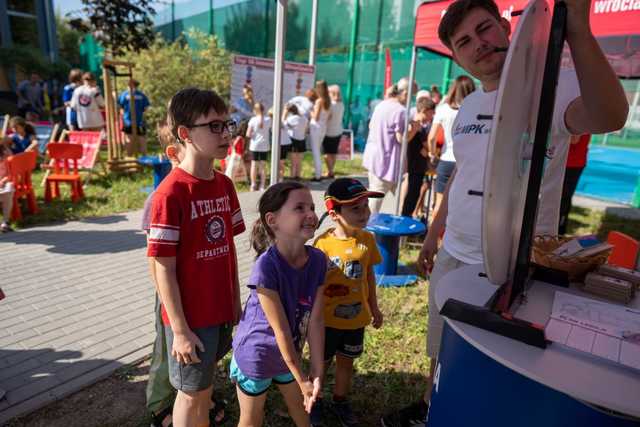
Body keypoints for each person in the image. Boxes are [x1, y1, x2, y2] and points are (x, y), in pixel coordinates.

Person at [382, 0, 628, 424]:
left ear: (504, 27)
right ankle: (430, 406)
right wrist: (432, 236)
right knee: (440, 343)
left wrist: (579, 34)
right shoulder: (467, 110)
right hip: (454, 252)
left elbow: (610, 115)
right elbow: (462, 177)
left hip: (513, 262)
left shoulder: (553, 85)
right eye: (464, 42)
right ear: (457, 57)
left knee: (492, 360)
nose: (478, 44)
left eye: (483, 30)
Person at [147, 87, 245, 427]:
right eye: (214, 126)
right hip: (190, 320)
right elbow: (163, 270)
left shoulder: (224, 184)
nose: (225, 134)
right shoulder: (170, 193)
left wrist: (234, 299)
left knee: (203, 388)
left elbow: (228, 250)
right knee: (190, 394)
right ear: (185, 134)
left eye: (226, 124)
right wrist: (181, 330)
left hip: (219, 311)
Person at [231, 182, 326, 427]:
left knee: (301, 410)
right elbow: (280, 329)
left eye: (312, 207)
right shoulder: (266, 266)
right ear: (273, 220)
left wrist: (316, 372)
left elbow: (316, 320)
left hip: (289, 354)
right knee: (252, 419)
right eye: (299, 208)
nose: (311, 214)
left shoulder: (318, 260)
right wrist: (301, 377)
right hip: (257, 355)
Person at [311, 178, 385, 427]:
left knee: (346, 363)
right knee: (320, 364)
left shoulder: (368, 240)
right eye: (356, 208)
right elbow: (314, 286)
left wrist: (374, 308)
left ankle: (340, 401)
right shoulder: (322, 244)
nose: (364, 213)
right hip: (326, 323)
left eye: (365, 206)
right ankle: (315, 400)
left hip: (356, 321)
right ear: (334, 213)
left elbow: (369, 276)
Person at [362, 77, 417, 214]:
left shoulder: (382, 105)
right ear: (405, 93)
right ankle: (367, 229)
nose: (412, 99)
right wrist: (414, 129)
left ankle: (367, 228)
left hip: (374, 157)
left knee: (375, 195)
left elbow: (370, 125)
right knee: (377, 198)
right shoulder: (400, 110)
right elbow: (401, 139)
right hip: (387, 160)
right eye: (413, 95)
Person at [427, 75, 475, 219]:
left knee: (439, 204)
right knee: (459, 205)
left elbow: (431, 137)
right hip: (465, 163)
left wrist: (433, 154)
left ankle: (433, 238)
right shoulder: (473, 110)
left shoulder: (442, 109)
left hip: (446, 160)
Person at [401, 98, 436, 218]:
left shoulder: (420, 126)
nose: (433, 115)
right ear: (425, 110)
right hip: (415, 166)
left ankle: (407, 216)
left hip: (418, 166)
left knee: (414, 195)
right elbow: (424, 145)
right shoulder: (416, 125)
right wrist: (428, 149)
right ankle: (405, 219)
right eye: (431, 112)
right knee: (411, 196)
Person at [559, 134, 590, 235]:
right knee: (563, 199)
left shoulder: (582, 118)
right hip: (572, 162)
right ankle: (559, 232)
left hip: (571, 163)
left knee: (562, 199)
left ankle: (558, 232)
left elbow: (574, 139)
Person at [118, 79, 151, 156]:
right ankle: (144, 157)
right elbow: (146, 108)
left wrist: (123, 115)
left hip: (129, 122)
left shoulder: (124, 95)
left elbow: (120, 107)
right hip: (138, 122)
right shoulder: (142, 95)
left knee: (129, 140)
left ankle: (129, 156)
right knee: (141, 140)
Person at [309, 81, 331, 181]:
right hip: (323, 127)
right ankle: (318, 173)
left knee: (316, 151)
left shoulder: (319, 101)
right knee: (318, 150)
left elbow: (316, 117)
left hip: (316, 127)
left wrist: (310, 112)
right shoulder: (328, 100)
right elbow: (330, 116)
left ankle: (318, 175)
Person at [247, 102, 271, 191]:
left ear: (255, 110)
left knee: (254, 165)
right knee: (263, 166)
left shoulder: (253, 120)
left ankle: (253, 185)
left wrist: (254, 134)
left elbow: (248, 134)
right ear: (263, 109)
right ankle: (262, 185)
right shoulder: (268, 119)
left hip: (254, 146)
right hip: (265, 145)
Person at [323, 85, 345, 179]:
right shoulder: (341, 104)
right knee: (333, 152)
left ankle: (330, 171)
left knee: (327, 153)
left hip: (329, 131)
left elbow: (327, 118)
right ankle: (331, 170)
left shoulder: (331, 105)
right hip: (338, 130)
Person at [283, 103, 308, 181]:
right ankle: (298, 176)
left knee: (293, 162)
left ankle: (292, 177)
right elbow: (306, 129)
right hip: (302, 140)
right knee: (299, 161)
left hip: (293, 140)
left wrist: (284, 114)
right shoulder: (304, 118)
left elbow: (283, 124)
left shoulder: (291, 119)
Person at [0, 144, 14, 233]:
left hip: (3, 183)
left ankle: (5, 222)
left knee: (8, 191)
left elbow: (9, 173)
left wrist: (3, 181)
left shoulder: (4, 153)